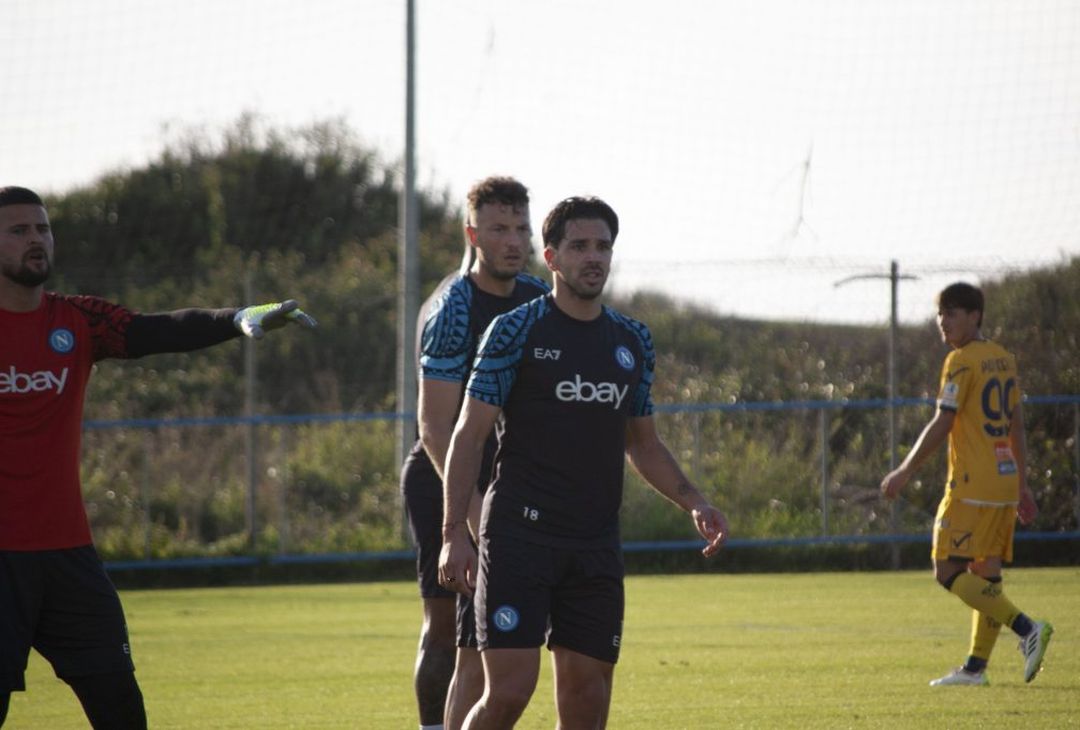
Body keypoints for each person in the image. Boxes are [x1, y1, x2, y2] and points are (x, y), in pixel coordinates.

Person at [0, 185, 317, 728]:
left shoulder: (76, 320)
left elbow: (154, 330)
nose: (37, 240)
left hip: (68, 558)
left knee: (122, 710)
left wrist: (235, 317)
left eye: (43, 229)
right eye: (19, 231)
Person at [437, 196, 729, 728]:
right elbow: (468, 434)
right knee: (508, 692)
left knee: (586, 700)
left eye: (602, 246)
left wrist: (695, 501)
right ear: (550, 257)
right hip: (518, 538)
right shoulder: (515, 331)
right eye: (579, 246)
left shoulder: (632, 340)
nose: (593, 257)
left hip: (594, 543)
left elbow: (643, 444)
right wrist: (454, 530)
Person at [400, 176, 549, 730]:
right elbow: (436, 427)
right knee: (448, 627)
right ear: (472, 234)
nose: (513, 240)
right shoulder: (453, 309)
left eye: (520, 228)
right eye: (498, 229)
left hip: (507, 479)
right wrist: (464, 518)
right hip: (443, 476)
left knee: (485, 630)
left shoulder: (537, 300)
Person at [880, 282, 1052, 687]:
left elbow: (944, 420)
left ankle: (1027, 628)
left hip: (972, 483)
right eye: (941, 313)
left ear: (975, 316)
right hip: (1004, 481)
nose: (944, 321)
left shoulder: (961, 360)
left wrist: (904, 470)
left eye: (953, 313)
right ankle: (976, 668)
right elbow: (1017, 425)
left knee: (947, 569)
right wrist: (1023, 485)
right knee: (986, 572)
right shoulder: (1003, 359)